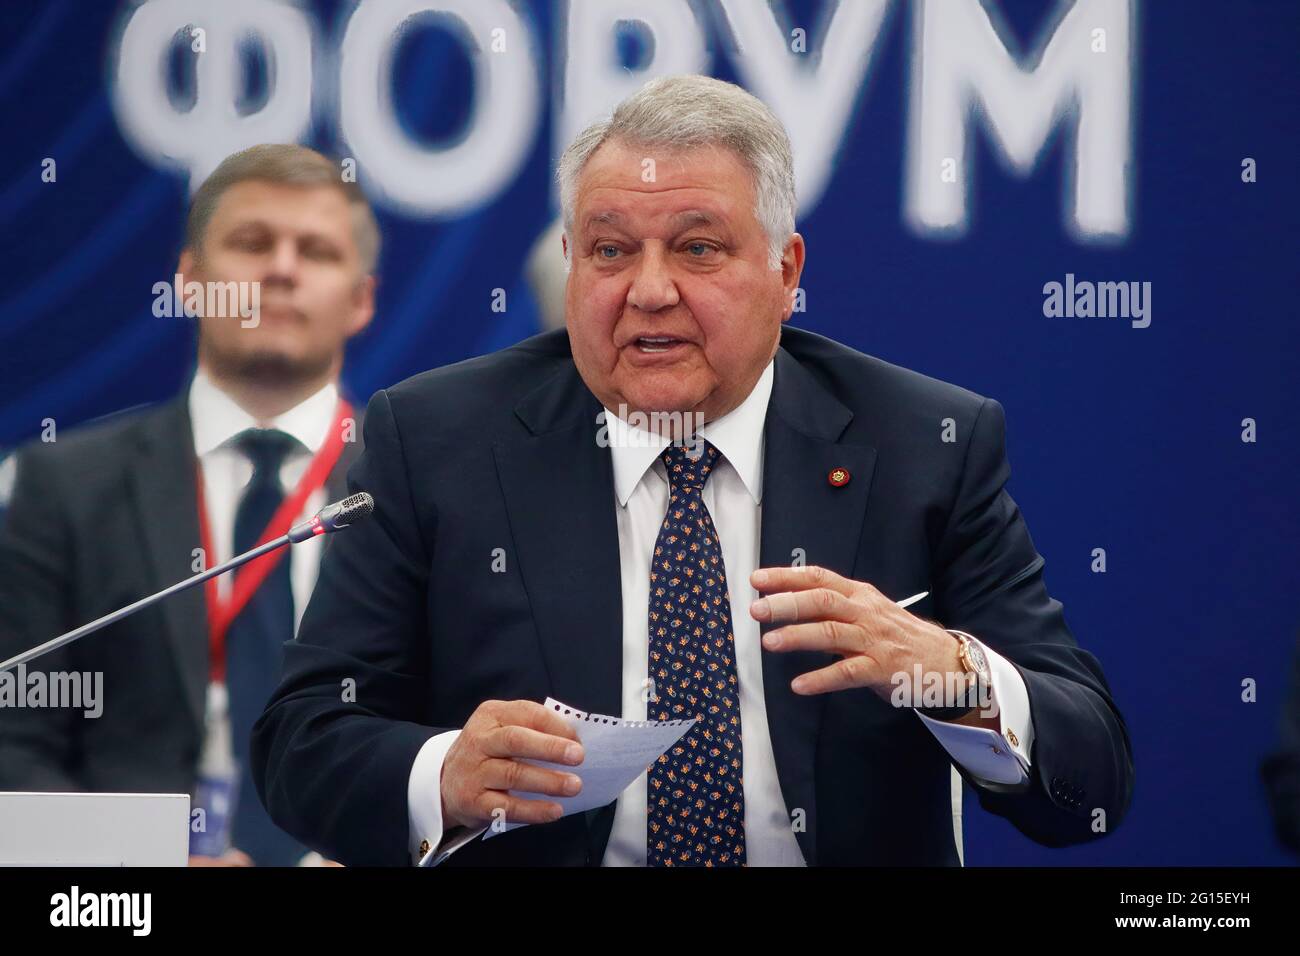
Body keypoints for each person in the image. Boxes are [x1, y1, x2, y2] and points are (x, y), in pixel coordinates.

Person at [252, 76, 1134, 866]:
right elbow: (303, 739)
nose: (647, 290)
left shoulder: (926, 442)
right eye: (608, 251)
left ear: (785, 272)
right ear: (569, 265)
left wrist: (952, 671)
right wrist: (444, 773)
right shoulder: (436, 438)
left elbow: (1092, 781)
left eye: (698, 248)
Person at [0, 143, 377, 867]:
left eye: (317, 250)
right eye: (252, 243)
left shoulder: (413, 489)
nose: (282, 269)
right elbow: (15, 744)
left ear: (361, 298)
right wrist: (139, 867)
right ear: (191, 280)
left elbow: (453, 736)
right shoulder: (64, 486)